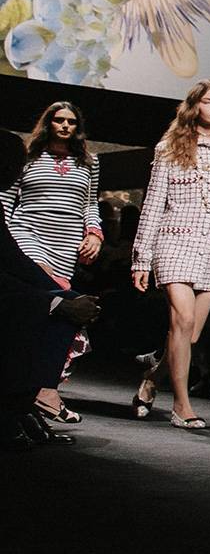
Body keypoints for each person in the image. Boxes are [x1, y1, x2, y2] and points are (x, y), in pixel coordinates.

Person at [129, 79, 210, 430]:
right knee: (182, 322)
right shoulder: (170, 148)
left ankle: (152, 377)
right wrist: (141, 258)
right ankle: (182, 406)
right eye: (208, 101)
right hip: (174, 241)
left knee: (190, 334)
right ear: (194, 106)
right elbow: (153, 205)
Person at [3, 102, 103, 423]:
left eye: (71, 121)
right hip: (27, 233)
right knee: (51, 296)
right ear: (48, 123)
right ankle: (32, 394)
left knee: (56, 308)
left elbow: (90, 203)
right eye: (59, 120)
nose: (65, 126)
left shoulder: (89, 161)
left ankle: (37, 391)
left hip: (66, 242)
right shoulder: (30, 156)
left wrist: (95, 233)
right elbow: (6, 196)